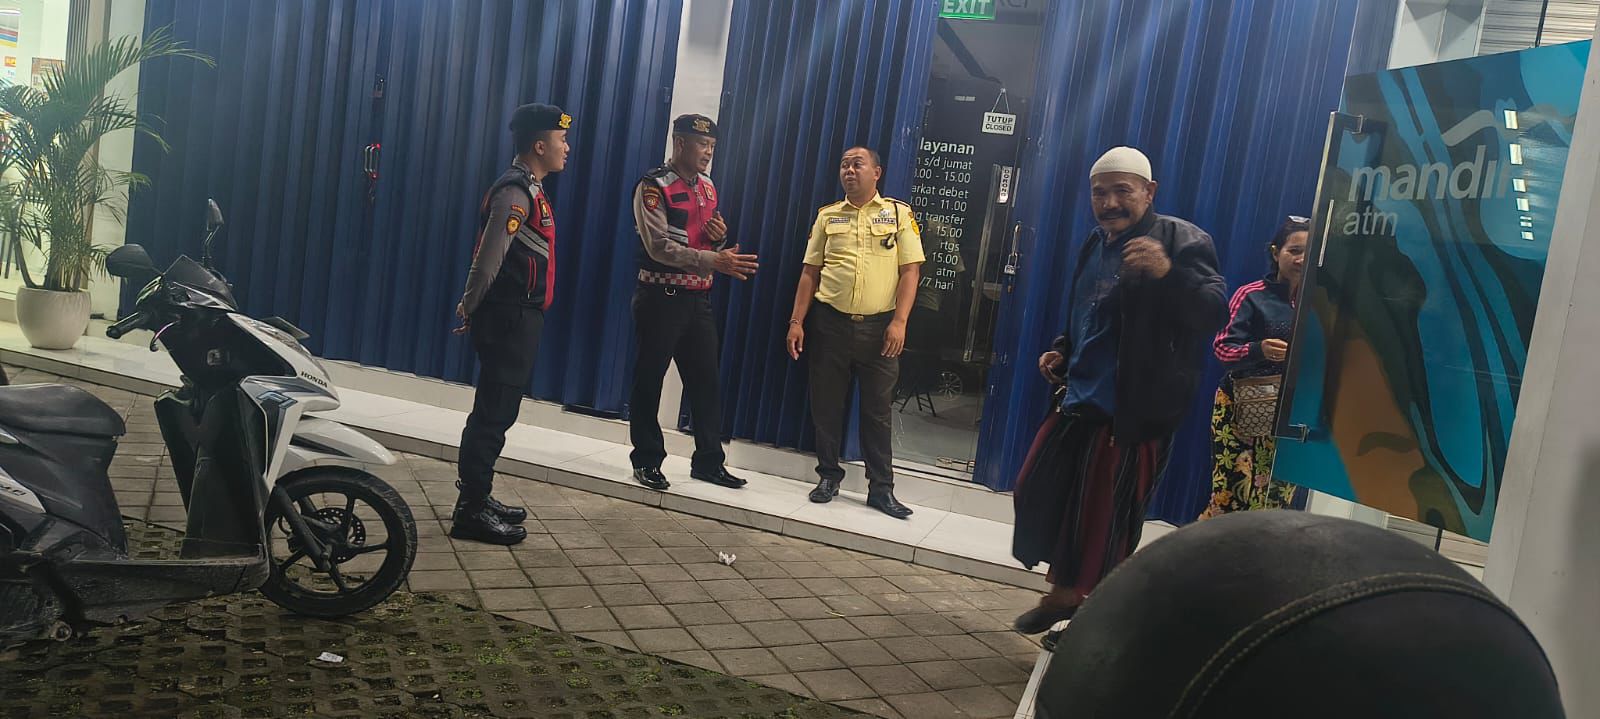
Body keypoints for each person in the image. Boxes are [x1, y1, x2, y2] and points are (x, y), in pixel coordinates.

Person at [1010, 146, 1227, 633]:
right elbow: (1090, 311)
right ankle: (1067, 594)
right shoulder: (1095, 242)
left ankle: (1094, 620)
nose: (1109, 203)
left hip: (1132, 410)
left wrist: (1168, 274)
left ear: (1149, 192)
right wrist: (1064, 349)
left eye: (1122, 191)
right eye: (1099, 193)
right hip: (1079, 398)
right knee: (1041, 490)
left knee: (1108, 521)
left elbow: (1213, 312)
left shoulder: (1181, 239)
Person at [449, 103, 571, 546]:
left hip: (521, 316)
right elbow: (489, 258)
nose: (567, 148)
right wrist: (470, 305)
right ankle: (470, 509)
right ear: (539, 145)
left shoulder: (532, 189)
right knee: (493, 413)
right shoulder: (516, 192)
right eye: (561, 140)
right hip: (508, 316)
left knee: (500, 410)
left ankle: (479, 495)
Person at [785, 146, 924, 519]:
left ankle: (881, 489)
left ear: (876, 172)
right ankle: (828, 477)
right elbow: (809, 272)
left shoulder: (898, 214)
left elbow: (910, 271)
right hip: (830, 324)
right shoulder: (828, 216)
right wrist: (796, 322)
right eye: (844, 164)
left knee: (877, 411)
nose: (849, 170)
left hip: (880, 329)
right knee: (826, 405)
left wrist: (900, 321)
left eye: (857, 164)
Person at [628, 114, 758, 491]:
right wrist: (714, 259)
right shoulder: (653, 186)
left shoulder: (708, 187)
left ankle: (708, 463)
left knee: (706, 384)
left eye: (713, 147)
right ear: (680, 143)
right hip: (660, 298)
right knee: (649, 381)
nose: (708, 153)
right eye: (702, 145)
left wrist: (719, 239)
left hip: (698, 299)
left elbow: (702, 241)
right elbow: (658, 246)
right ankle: (647, 460)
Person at [1197, 217, 1310, 520]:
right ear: (1276, 252)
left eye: (1308, 251)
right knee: (1232, 494)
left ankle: (1259, 551)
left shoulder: (1317, 302)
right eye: (1294, 250)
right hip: (1241, 409)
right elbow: (1222, 348)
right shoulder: (1251, 295)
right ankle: (1211, 549)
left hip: (1290, 413)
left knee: (1278, 498)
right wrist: (1258, 349)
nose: (1301, 259)